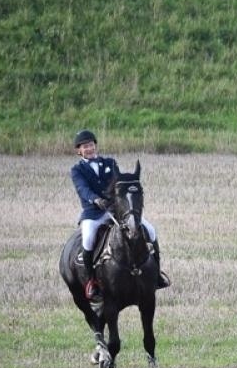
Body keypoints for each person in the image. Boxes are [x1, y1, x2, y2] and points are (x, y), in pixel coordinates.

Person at [70, 129, 170, 301]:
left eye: (91, 145)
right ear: (79, 150)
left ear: (96, 146)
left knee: (151, 231)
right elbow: (82, 189)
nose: (89, 148)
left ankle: (157, 276)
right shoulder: (77, 170)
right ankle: (92, 282)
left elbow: (119, 186)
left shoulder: (110, 163)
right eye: (85, 146)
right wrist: (95, 199)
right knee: (87, 241)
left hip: (116, 212)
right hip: (93, 214)